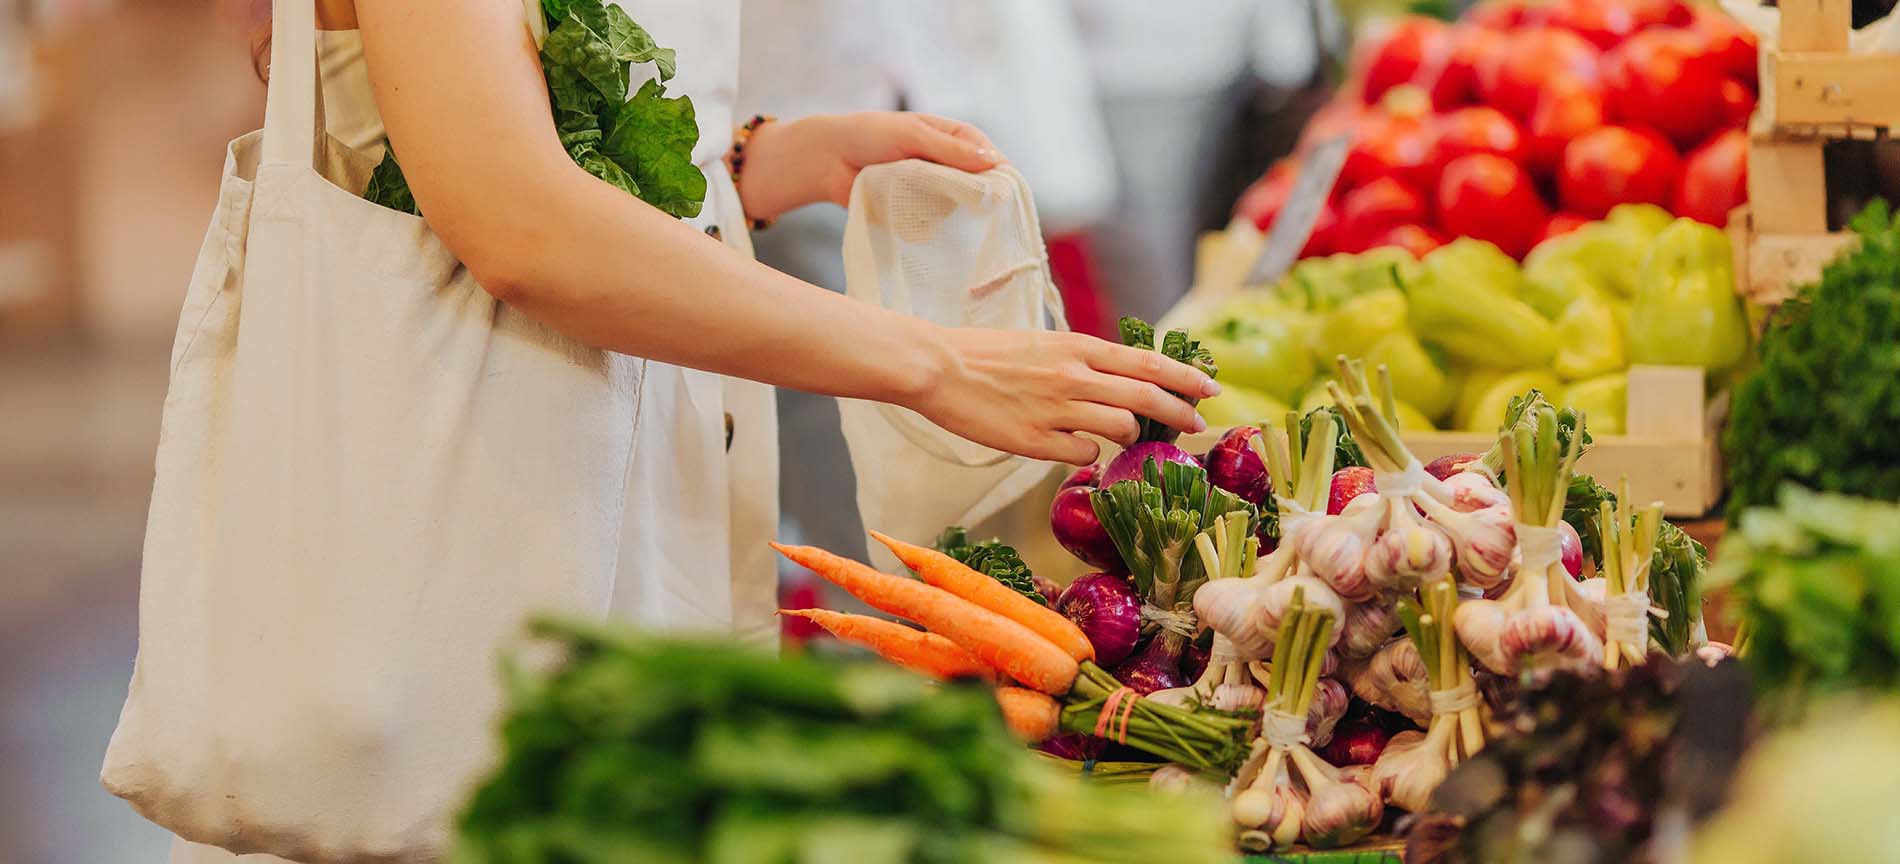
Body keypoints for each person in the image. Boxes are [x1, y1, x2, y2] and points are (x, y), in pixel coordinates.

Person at [141, 2, 1216, 862]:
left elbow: (517, 125)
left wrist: (761, 159)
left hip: (591, 504)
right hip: (449, 545)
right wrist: (932, 363)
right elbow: (514, 222)